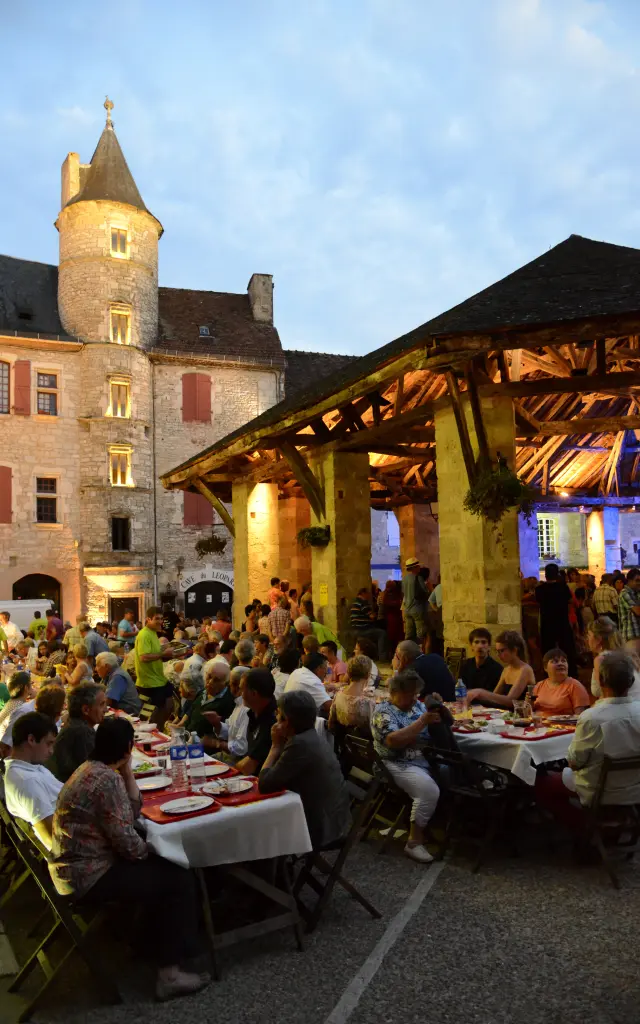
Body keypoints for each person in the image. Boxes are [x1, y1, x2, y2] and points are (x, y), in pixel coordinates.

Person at [50, 718, 209, 1000]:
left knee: (163, 869)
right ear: (127, 747)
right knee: (178, 877)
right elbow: (130, 846)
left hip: (72, 869)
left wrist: (127, 772)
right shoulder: (105, 780)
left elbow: (131, 813)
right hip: (89, 876)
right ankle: (170, 973)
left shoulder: (90, 770)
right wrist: (157, 849)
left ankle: (147, 945)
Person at [535, 651, 640, 829]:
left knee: (540, 784)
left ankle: (583, 827)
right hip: (635, 788)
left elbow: (575, 762)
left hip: (599, 789)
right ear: (631, 682)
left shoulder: (591, 717)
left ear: (601, 681)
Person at [259, 690, 351, 849]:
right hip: (337, 820)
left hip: (321, 830)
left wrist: (275, 747)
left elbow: (264, 784)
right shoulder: (312, 736)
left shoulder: (299, 744)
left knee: (260, 825)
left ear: (286, 721)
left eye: (278, 714)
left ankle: (269, 870)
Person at [371, 669, 440, 864]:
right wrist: (422, 722)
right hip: (396, 762)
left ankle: (442, 827)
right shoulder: (383, 713)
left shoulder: (416, 706)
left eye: (416, 695)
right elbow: (393, 740)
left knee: (460, 771)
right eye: (409, 696)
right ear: (393, 693)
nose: (414, 700)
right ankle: (414, 842)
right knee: (428, 790)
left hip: (424, 759)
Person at [3, 712, 62, 850]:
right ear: (31, 740)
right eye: (49, 744)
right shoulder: (28, 782)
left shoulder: (28, 769)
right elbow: (52, 840)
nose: (51, 751)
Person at [49, 681, 107, 782]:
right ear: (86, 710)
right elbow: (95, 775)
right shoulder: (82, 732)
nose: (106, 710)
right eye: (102, 704)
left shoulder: (75, 725)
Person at [465, 630, 535, 708]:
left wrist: (480, 692)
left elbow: (510, 701)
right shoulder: (506, 670)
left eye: (502, 651)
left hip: (522, 716)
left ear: (514, 650)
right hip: (506, 715)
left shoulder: (525, 669)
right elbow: (494, 697)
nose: (498, 655)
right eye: (497, 651)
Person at [134, 606, 175, 728]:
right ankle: (152, 733)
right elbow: (144, 657)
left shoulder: (153, 633)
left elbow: (154, 654)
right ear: (148, 619)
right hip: (149, 683)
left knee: (169, 704)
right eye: (157, 618)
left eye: (161, 618)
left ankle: (157, 730)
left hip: (158, 680)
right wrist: (163, 653)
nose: (160, 621)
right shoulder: (144, 634)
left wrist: (168, 652)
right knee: (151, 714)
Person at [199, 665, 249, 760]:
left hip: (236, 761)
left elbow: (240, 748)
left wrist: (215, 743)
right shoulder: (238, 703)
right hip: (226, 756)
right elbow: (229, 732)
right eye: (232, 684)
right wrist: (217, 724)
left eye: (237, 685)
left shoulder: (246, 708)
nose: (234, 689)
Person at [535, 563, 577, 676]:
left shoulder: (540, 589)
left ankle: (547, 673)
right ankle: (571, 672)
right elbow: (571, 601)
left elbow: (536, 601)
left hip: (547, 623)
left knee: (547, 649)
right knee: (567, 648)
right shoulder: (563, 587)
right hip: (562, 621)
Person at [235, 668, 278, 775]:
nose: (239, 694)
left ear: (254, 694)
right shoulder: (253, 713)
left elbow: (248, 767)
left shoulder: (273, 721)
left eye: (242, 689)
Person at [587, 616, 640, 699]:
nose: (587, 639)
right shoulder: (626, 653)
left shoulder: (602, 659)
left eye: (589, 635)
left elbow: (605, 694)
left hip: (625, 705)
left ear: (599, 639)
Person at [189, 659, 235, 745]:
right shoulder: (203, 692)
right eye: (209, 676)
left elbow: (225, 734)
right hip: (188, 738)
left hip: (204, 747)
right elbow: (191, 710)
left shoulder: (228, 702)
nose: (210, 682)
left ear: (226, 683)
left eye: (216, 680)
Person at [532, 649, 590, 717]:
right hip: (538, 725)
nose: (560, 663)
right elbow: (531, 711)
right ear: (545, 668)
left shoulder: (575, 685)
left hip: (564, 726)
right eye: (555, 661)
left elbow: (581, 718)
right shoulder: (539, 685)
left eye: (563, 661)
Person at [329, 656, 375, 730]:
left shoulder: (338, 695)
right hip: (361, 740)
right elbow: (373, 731)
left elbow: (331, 724)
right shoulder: (367, 703)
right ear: (368, 675)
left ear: (349, 674)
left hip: (340, 739)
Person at [0, 672, 36, 751]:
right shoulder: (22, 709)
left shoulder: (12, 702)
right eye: (31, 684)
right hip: (6, 750)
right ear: (26, 688)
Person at [460, 628, 503, 693]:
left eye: (483, 642)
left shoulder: (497, 669)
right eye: (476, 642)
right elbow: (461, 689)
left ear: (489, 646)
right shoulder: (465, 665)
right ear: (471, 646)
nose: (480, 646)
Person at [349, 588, 386, 661]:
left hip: (354, 630)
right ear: (363, 594)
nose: (369, 596)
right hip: (363, 630)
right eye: (368, 594)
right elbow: (372, 616)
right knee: (382, 633)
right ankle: (382, 658)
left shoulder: (354, 603)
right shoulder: (363, 603)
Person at [401, 557, 429, 642]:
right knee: (420, 634)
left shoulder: (404, 579)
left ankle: (408, 651)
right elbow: (425, 592)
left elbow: (403, 592)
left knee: (409, 634)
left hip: (407, 609)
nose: (419, 568)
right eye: (417, 566)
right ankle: (419, 652)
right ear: (414, 568)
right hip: (417, 609)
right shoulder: (418, 578)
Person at [618, 569, 640, 654]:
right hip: (631, 636)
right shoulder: (625, 593)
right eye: (637, 580)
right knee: (633, 665)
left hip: (637, 635)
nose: (639, 583)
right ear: (629, 581)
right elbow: (638, 611)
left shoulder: (637, 593)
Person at [381, 580, 404, 652]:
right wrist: (399, 603)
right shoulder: (394, 594)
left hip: (391, 617)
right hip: (394, 617)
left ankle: (393, 652)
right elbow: (394, 604)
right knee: (395, 636)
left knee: (393, 636)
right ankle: (394, 652)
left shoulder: (385, 594)